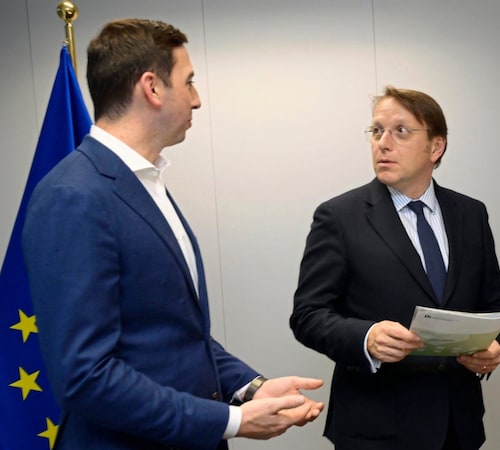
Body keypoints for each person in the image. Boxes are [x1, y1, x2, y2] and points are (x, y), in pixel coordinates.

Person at [22, 18, 323, 449]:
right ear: (152, 87)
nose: (197, 100)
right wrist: (230, 420)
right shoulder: (74, 195)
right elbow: (86, 377)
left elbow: (174, 333)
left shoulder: (145, 183)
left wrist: (251, 388)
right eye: (190, 81)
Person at [290, 86, 500, 450]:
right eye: (377, 131)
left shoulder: (471, 215)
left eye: (401, 131)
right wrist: (367, 338)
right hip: (377, 429)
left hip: (459, 425)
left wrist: (493, 348)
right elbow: (308, 315)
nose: (383, 143)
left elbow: (492, 306)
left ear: (436, 147)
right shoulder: (339, 217)